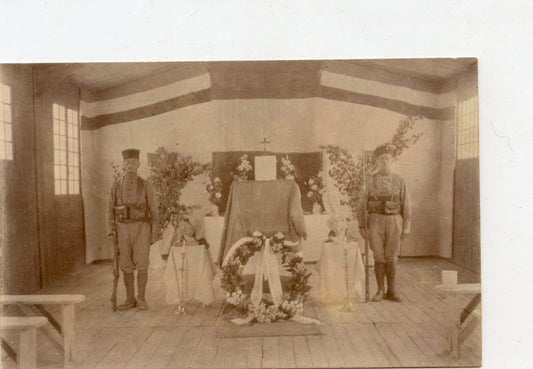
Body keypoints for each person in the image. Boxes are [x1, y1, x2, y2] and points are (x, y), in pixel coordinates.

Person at [107, 149, 160, 310]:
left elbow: (154, 209)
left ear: (139, 165)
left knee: (142, 262)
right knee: (125, 263)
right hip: (122, 229)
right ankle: (130, 300)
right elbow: (109, 209)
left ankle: (141, 299)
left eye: (134, 163)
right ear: (123, 165)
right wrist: (111, 231)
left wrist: (154, 232)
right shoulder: (116, 185)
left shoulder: (145, 185)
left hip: (142, 228)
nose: (131, 165)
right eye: (128, 162)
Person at [358, 144, 411, 302]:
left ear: (392, 160)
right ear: (377, 161)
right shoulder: (369, 180)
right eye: (382, 159)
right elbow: (361, 205)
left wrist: (407, 226)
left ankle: (392, 291)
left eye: (388, 159)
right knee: (379, 257)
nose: (385, 162)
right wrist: (362, 225)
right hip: (375, 221)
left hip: (394, 221)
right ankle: (380, 290)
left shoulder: (400, 180)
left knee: (392, 257)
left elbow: (406, 203)